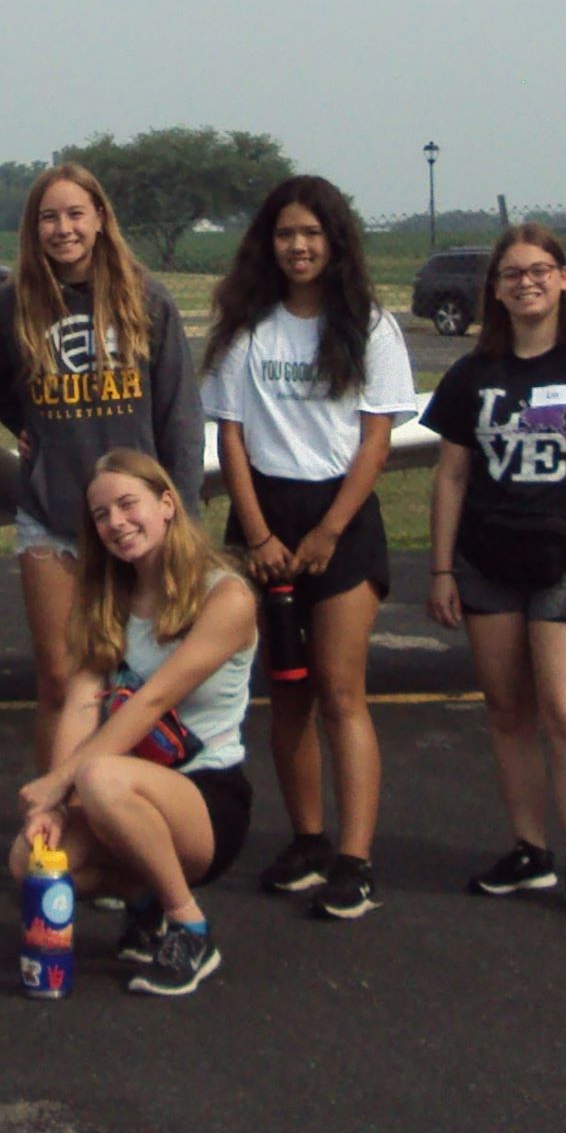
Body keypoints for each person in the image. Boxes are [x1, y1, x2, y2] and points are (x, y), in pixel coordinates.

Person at [201, 174, 419, 921]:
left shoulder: (370, 326)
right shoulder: (245, 325)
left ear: (336, 242)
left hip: (342, 520)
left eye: (312, 234)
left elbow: (377, 439)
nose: (298, 247)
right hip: (264, 515)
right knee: (285, 690)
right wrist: (257, 534)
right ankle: (309, 839)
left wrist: (328, 532)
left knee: (339, 688)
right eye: (286, 234)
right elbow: (229, 433)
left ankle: (355, 860)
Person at [424, 225, 566, 920]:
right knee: (507, 709)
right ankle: (529, 848)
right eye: (513, 273)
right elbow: (452, 476)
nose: (527, 282)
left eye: (541, 270)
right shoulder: (473, 372)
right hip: (489, 561)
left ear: (563, 279)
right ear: (495, 288)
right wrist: (441, 568)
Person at [0, 163, 203, 770]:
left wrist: (184, 518)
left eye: (76, 214)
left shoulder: (146, 297)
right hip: (52, 516)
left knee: (133, 681)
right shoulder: (11, 304)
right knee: (59, 679)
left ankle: (121, 805)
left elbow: (180, 412)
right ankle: (54, 817)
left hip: (136, 522)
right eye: (49, 217)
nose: (63, 228)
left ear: (101, 219)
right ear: (34, 228)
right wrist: (22, 420)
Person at [10, 452, 258, 997]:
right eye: (101, 516)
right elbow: (80, 702)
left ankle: (189, 925)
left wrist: (62, 781)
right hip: (125, 789)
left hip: (206, 799)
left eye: (128, 504)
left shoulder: (226, 596)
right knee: (31, 861)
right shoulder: (109, 599)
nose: (116, 523)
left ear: (167, 504)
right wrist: (54, 806)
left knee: (98, 775)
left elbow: (153, 700)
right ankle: (143, 902)